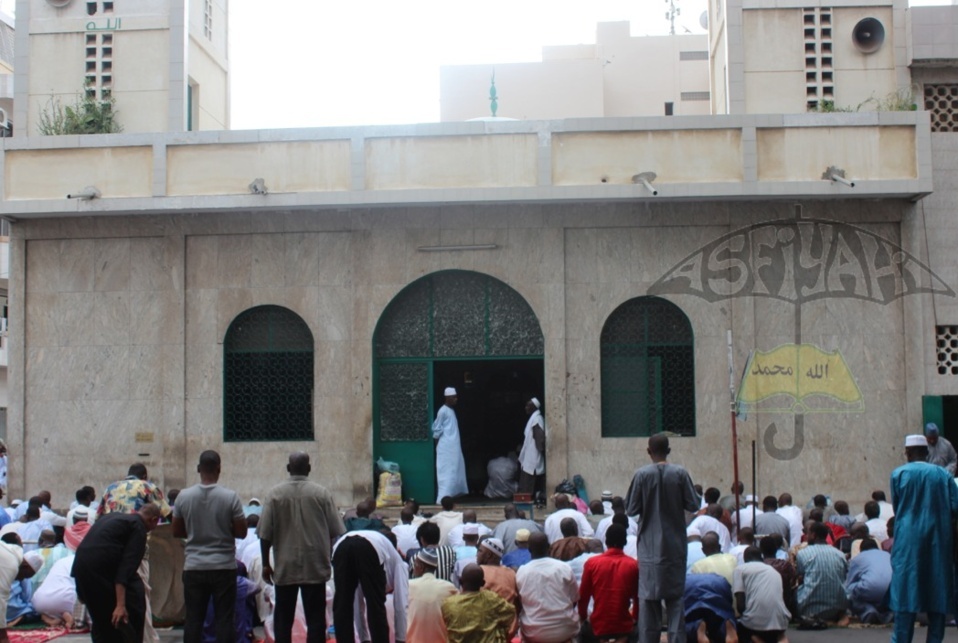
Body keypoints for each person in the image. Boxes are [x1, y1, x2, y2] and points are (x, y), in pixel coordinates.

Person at [258, 452, 345, 643]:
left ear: (288, 469)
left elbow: (264, 534)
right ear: (309, 468)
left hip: (285, 564)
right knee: (315, 617)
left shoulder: (275, 495)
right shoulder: (321, 493)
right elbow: (335, 530)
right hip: (315, 563)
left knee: (283, 618)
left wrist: (266, 563)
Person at [625, 433, 699, 643]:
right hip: (674, 547)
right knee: (676, 601)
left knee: (648, 602)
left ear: (649, 452)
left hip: (649, 548)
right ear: (669, 450)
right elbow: (693, 505)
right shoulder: (680, 474)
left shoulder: (641, 475)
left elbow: (631, 509)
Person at [172, 450, 247, 643]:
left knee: (194, 619)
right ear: (219, 469)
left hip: (194, 566)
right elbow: (241, 532)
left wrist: (198, 530)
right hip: (223, 566)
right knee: (224, 618)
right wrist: (222, 529)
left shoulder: (183, 497)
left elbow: (177, 531)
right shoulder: (231, 497)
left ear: (198, 469)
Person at [890, 433, 958, 643]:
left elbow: (898, 507)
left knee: (905, 597)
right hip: (938, 542)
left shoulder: (898, 474)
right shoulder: (943, 475)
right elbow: (955, 507)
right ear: (927, 453)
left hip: (907, 544)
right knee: (937, 596)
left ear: (908, 453)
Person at [99, 463, 172, 643]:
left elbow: (98, 519)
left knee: (114, 596)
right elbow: (167, 515)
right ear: (144, 476)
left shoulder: (110, 489)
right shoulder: (147, 487)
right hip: (135, 548)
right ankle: (148, 639)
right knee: (140, 594)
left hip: (110, 548)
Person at [71, 505, 162, 643]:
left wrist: (81, 592)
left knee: (101, 622)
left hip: (81, 571)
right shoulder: (138, 527)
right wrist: (120, 606)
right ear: (154, 520)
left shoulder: (110, 517)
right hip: (99, 572)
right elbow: (126, 570)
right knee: (132, 605)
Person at [332, 529, 408, 643]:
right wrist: (400, 639)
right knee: (375, 606)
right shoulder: (398, 562)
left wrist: (364, 639)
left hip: (340, 547)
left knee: (343, 605)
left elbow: (356, 604)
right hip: (367, 548)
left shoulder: (387, 555)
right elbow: (401, 603)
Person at [578, 524, 638, 643]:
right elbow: (638, 599)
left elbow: (583, 598)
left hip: (597, 626)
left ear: (606, 541)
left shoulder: (592, 564)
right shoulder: (633, 565)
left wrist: (584, 618)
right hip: (624, 626)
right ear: (625, 542)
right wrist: (634, 619)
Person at [514, 532, 579, 643]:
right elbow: (574, 600)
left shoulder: (522, 572)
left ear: (529, 549)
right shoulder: (564, 567)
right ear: (549, 547)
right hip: (565, 630)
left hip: (534, 633)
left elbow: (520, 604)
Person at [441, 564, 516, 643]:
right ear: (483, 583)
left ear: (460, 581)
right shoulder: (491, 599)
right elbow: (510, 613)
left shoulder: (448, 604)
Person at [733, 546, 791, 643]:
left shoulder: (740, 569)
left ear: (744, 559)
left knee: (737, 627)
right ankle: (780, 638)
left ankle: (754, 638)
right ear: (761, 558)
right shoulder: (774, 571)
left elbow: (740, 606)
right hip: (780, 623)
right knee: (775, 634)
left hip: (754, 625)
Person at [794, 522, 848, 625]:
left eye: (808, 534)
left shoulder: (802, 553)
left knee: (795, 588)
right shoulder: (840, 554)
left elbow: (800, 576)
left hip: (808, 608)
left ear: (813, 535)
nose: (806, 536)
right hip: (836, 608)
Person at [406, 547, 457, 643]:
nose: (413, 568)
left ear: (421, 567)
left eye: (415, 564)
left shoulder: (408, 585)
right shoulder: (449, 587)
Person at [845, 538, 892, 624]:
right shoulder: (888, 555)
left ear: (861, 550)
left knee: (850, 591)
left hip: (871, 589)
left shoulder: (858, 558)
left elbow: (849, 584)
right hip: (891, 591)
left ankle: (868, 611)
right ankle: (890, 614)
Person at [433, 387, 468, 503]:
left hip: (453, 447)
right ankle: (443, 498)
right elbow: (436, 430)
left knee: (455, 470)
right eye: (453, 397)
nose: (456, 399)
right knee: (446, 472)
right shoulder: (442, 411)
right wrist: (438, 447)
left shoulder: (451, 410)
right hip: (445, 448)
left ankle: (451, 496)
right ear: (447, 398)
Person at [682, 573, 737, 643]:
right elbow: (729, 601)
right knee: (719, 619)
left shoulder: (683, 573)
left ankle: (696, 628)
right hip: (718, 583)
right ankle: (726, 628)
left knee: (684, 625)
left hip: (689, 585)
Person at [517, 398, 546, 495]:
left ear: (534, 408)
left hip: (534, 454)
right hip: (530, 454)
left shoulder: (537, 420)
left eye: (528, 406)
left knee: (529, 479)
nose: (526, 408)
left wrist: (542, 452)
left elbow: (540, 438)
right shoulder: (534, 419)